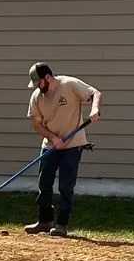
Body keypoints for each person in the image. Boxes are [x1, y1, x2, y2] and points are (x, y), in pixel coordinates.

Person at [25, 63, 101, 236]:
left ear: (48, 78)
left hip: (73, 145)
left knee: (66, 186)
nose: (37, 87)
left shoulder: (69, 84)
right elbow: (36, 125)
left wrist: (95, 109)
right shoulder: (37, 97)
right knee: (44, 183)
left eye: (39, 83)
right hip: (51, 146)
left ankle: (61, 224)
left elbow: (95, 93)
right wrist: (53, 138)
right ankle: (44, 221)